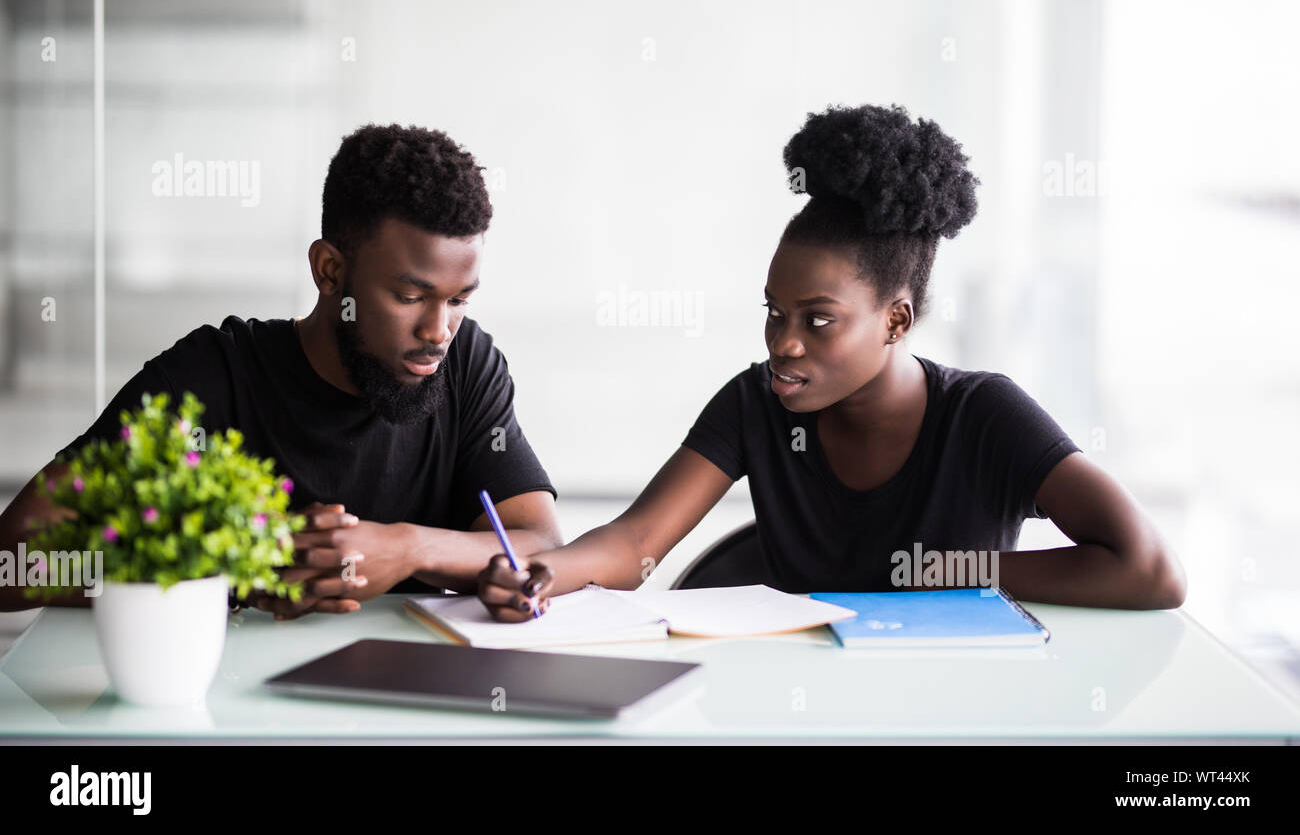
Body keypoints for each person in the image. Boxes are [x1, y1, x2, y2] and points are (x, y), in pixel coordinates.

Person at [478, 103, 1186, 620]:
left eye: (819, 321)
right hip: (797, 711)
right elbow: (635, 543)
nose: (784, 343)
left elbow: (1149, 570)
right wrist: (543, 571)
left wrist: (946, 573)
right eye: (774, 314)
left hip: (954, 713)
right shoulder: (755, 403)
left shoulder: (984, 415)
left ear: (896, 320)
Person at [0, 124, 561, 617]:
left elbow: (539, 542)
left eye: (459, 299)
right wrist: (244, 565)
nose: (440, 330)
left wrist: (406, 548)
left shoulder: (466, 364)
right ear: (330, 270)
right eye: (410, 296)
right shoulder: (213, 377)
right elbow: (15, 561)